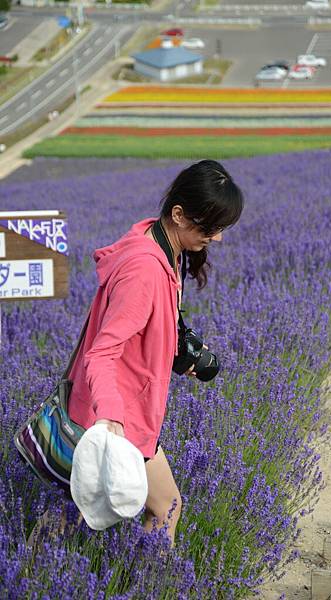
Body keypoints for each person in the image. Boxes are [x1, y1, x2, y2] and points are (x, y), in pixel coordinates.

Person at [32, 159, 244, 548]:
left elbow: (142, 332)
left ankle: (28, 573)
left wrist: (177, 356)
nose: (217, 238)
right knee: (162, 508)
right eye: (211, 227)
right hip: (115, 418)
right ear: (179, 214)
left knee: (71, 512)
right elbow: (103, 352)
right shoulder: (146, 268)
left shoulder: (160, 245)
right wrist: (111, 414)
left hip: (122, 411)